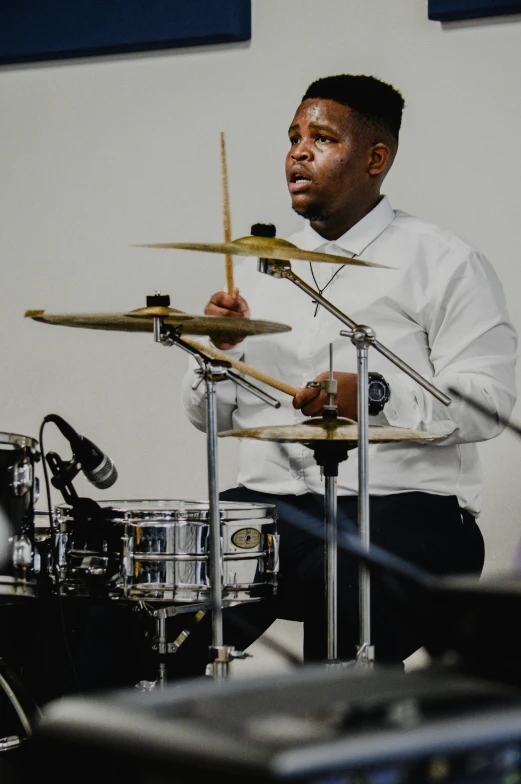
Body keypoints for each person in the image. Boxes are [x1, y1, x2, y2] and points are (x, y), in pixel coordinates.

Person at [179, 73, 517, 670]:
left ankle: (331, 735)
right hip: (274, 502)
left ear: (375, 158)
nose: (298, 152)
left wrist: (376, 393)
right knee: (154, 572)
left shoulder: (444, 262)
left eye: (322, 138)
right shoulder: (262, 268)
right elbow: (210, 416)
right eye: (293, 137)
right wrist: (221, 356)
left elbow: (489, 400)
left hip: (402, 508)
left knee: (341, 595)